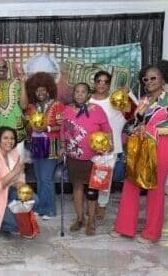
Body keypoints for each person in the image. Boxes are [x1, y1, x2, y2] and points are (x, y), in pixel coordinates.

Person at [112, 60, 168, 243]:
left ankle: (151, 233)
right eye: (146, 79)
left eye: (154, 78)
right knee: (131, 184)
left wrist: (154, 131)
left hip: (163, 147)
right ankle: (124, 228)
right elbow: (137, 121)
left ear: (163, 79)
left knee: (155, 188)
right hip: (141, 146)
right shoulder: (143, 100)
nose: (149, 81)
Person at [60, 83, 112, 236]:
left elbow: (107, 130)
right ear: (73, 93)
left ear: (88, 94)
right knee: (77, 187)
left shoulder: (97, 110)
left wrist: (108, 146)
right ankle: (80, 218)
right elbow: (63, 130)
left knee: (92, 190)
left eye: (83, 92)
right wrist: (63, 146)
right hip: (73, 156)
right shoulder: (67, 110)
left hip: (93, 157)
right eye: (77, 91)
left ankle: (91, 221)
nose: (80, 94)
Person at [89, 70, 137, 221]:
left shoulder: (116, 100)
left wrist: (129, 94)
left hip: (110, 146)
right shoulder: (87, 101)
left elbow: (134, 111)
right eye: (99, 81)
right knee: (90, 178)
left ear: (109, 85)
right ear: (94, 83)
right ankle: (91, 204)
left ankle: (102, 205)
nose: (102, 84)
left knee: (104, 179)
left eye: (105, 82)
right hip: (89, 147)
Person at [25, 72, 65, 220]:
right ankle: (41, 207)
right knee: (39, 178)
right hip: (36, 144)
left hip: (52, 143)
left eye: (43, 90)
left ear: (49, 90)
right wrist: (28, 126)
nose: (40, 93)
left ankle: (49, 209)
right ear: (33, 92)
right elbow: (29, 127)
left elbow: (62, 127)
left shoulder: (57, 105)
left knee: (46, 178)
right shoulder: (31, 107)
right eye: (37, 90)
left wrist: (46, 129)